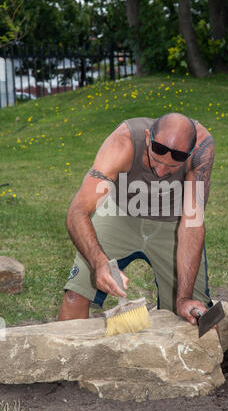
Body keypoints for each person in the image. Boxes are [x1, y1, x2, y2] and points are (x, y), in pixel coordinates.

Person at [58, 113, 215, 325]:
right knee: (76, 293)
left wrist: (184, 297)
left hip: (173, 222)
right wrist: (99, 262)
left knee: (192, 313)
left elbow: (192, 223)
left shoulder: (201, 149)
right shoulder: (123, 142)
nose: (160, 172)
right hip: (119, 215)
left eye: (171, 167)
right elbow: (78, 211)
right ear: (149, 138)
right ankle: (65, 355)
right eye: (156, 160)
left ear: (191, 152)